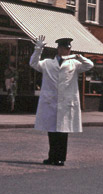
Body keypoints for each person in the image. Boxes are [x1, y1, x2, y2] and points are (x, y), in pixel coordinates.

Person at [31, 36, 93, 166]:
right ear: (59, 49)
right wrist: (38, 49)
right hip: (51, 102)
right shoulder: (47, 63)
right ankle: (51, 157)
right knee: (52, 132)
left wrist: (79, 57)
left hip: (65, 103)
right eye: (65, 49)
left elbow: (89, 65)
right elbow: (33, 63)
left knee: (63, 133)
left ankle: (60, 158)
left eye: (69, 49)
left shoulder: (74, 64)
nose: (67, 51)